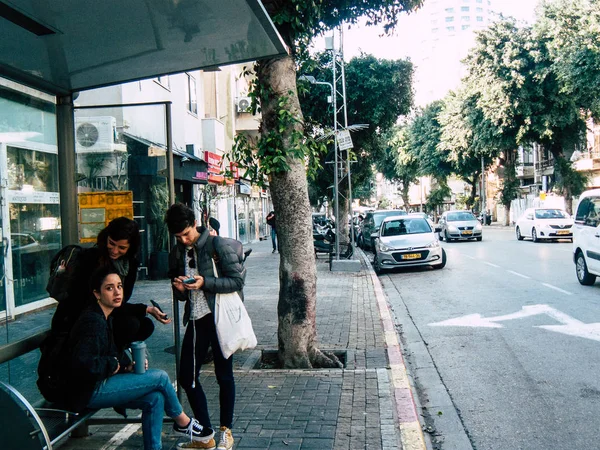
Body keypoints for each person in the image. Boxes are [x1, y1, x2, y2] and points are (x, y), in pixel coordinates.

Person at [65, 267, 211, 450]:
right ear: (97, 293)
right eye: (109, 288)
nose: (117, 292)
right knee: (160, 377)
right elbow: (83, 364)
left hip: (100, 383)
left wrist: (127, 366)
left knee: (156, 398)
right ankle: (183, 422)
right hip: (88, 391)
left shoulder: (106, 316)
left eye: (119, 286)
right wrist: (116, 364)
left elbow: (111, 352)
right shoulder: (92, 321)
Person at [165, 203, 244, 450]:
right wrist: (179, 289)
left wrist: (204, 283)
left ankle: (226, 432)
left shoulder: (217, 245)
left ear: (195, 224)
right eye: (179, 237)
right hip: (197, 320)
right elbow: (182, 294)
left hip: (220, 319)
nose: (184, 240)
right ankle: (205, 434)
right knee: (187, 377)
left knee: (224, 375)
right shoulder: (179, 251)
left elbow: (236, 281)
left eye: (187, 234)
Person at [51, 217, 170, 349]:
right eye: (111, 243)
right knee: (130, 324)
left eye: (122, 247)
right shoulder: (91, 258)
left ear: (130, 247)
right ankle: (110, 360)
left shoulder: (129, 264)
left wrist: (146, 309)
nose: (114, 251)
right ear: (106, 238)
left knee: (145, 325)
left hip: (106, 312)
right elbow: (93, 302)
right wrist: (145, 309)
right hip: (80, 315)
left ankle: (112, 357)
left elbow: (119, 302)